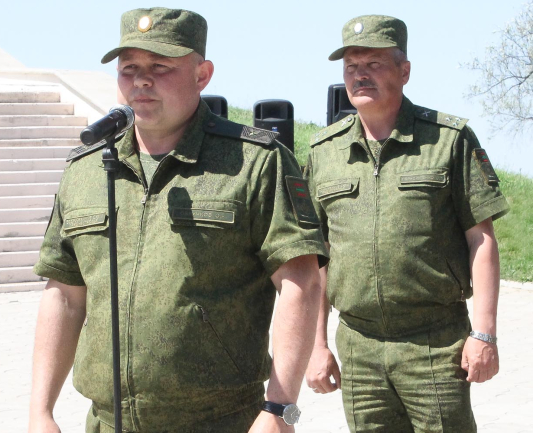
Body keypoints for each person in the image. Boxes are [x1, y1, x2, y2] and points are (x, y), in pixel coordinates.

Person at [28, 7, 329, 433]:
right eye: (129, 68)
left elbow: (301, 283)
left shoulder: (254, 162)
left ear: (202, 75)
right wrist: (40, 411)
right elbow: (64, 295)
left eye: (160, 67)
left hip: (222, 422)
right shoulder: (88, 169)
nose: (141, 80)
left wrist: (280, 410)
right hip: (109, 422)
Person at [303, 15, 509, 433]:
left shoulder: (448, 140)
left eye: (374, 64)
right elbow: (315, 258)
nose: (360, 75)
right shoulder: (324, 152)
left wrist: (484, 333)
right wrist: (316, 344)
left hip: (435, 343)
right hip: (358, 348)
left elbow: (481, 239)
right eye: (351, 67)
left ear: (405, 71)